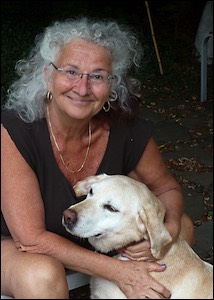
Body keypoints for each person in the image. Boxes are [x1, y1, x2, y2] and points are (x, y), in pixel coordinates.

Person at [1, 17, 195, 299]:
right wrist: (119, 272)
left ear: (111, 86)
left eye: (97, 76)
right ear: (47, 76)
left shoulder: (126, 130)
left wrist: (169, 226)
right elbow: (31, 239)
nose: (82, 87)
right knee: (41, 274)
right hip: (16, 245)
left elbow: (165, 189)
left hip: (96, 236)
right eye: (71, 71)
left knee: (183, 230)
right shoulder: (13, 131)